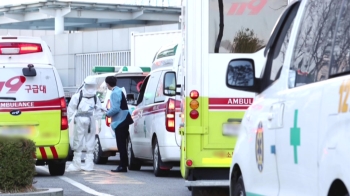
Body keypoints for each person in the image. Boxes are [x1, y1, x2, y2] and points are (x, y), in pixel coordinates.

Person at [66, 77, 104, 172]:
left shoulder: (77, 96)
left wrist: (67, 120)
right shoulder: (95, 97)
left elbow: (70, 109)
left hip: (81, 119)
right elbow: (99, 111)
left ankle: (77, 164)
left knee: (78, 141)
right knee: (89, 141)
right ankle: (88, 164)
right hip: (90, 119)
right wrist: (98, 122)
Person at [105, 76, 134, 172]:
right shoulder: (119, 91)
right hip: (125, 120)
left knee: (121, 145)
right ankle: (123, 165)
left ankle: (122, 166)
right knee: (123, 144)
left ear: (108, 84)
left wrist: (107, 113)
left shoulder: (114, 93)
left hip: (120, 121)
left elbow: (116, 108)